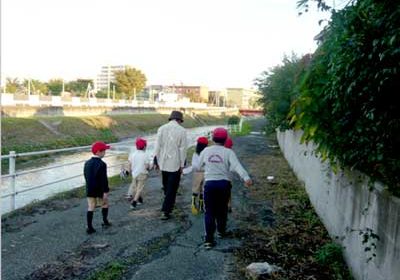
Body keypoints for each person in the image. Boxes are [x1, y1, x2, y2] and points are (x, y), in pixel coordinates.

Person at [199, 128, 252, 249]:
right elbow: (237, 166)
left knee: (210, 212)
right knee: (222, 209)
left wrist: (207, 168)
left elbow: (197, 166)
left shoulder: (206, 151)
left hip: (210, 184)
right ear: (225, 139)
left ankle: (209, 240)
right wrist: (246, 178)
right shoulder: (228, 152)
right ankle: (221, 232)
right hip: (224, 184)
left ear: (213, 138)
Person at [154, 110, 187, 220]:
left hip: (163, 162)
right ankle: (166, 211)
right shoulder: (182, 131)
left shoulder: (161, 128)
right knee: (172, 189)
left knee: (166, 185)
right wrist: (182, 165)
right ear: (179, 120)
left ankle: (167, 202)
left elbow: (157, 147)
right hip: (175, 163)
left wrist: (156, 161)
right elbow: (183, 149)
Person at [83, 141, 112, 234]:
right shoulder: (102, 164)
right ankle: (105, 221)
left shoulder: (87, 163)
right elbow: (104, 180)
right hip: (100, 190)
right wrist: (106, 192)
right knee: (105, 204)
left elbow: (86, 176)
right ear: (98, 152)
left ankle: (89, 227)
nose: (105, 152)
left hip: (90, 189)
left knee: (91, 207)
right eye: (104, 151)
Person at [127, 137, 151, 209]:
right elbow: (147, 166)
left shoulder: (132, 154)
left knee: (135, 187)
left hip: (134, 173)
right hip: (142, 173)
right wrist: (149, 168)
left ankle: (140, 199)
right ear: (144, 147)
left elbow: (129, 164)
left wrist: (129, 171)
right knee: (139, 188)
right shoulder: (145, 155)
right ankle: (134, 203)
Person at [191, 136, 209, 215]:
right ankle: (194, 205)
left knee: (200, 190)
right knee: (198, 189)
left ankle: (200, 206)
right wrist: (202, 164)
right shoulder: (197, 154)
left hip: (199, 172)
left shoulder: (195, 154)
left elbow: (194, 165)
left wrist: (200, 165)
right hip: (202, 172)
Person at [224, 137, 234, 212]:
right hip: (229, 178)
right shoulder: (231, 153)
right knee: (228, 192)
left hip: (221, 176)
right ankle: (229, 206)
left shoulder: (221, 152)